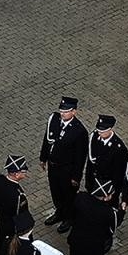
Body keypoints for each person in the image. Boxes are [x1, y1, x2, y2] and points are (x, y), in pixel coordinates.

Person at [38, 96, 88, 232]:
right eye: (61, 111)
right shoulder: (54, 119)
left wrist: (76, 177)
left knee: (68, 195)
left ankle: (69, 218)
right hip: (53, 166)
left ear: (74, 112)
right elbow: (47, 139)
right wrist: (43, 158)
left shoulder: (79, 131)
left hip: (67, 169)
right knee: (55, 192)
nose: (62, 114)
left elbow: (80, 157)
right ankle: (59, 212)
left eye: (66, 111)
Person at [0, 156, 32, 241]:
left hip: (1, 222)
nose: (25, 173)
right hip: (12, 227)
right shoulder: (18, 195)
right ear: (16, 174)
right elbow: (20, 215)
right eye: (23, 171)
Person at [84, 114, 127, 194]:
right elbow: (90, 162)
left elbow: (119, 173)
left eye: (102, 131)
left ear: (110, 129)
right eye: (99, 131)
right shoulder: (94, 137)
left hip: (106, 186)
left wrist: (113, 191)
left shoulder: (119, 148)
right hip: (92, 181)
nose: (100, 133)